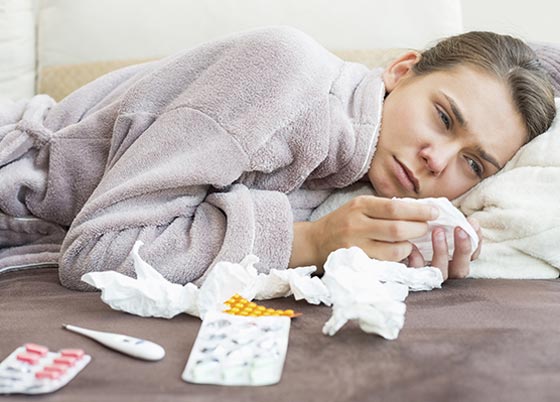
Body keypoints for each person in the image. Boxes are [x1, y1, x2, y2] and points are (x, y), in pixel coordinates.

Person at [0, 26, 555, 290]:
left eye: (474, 165)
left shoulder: (361, 174)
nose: (438, 161)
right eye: (444, 117)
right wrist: (312, 242)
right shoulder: (285, 74)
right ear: (401, 71)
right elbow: (98, 253)